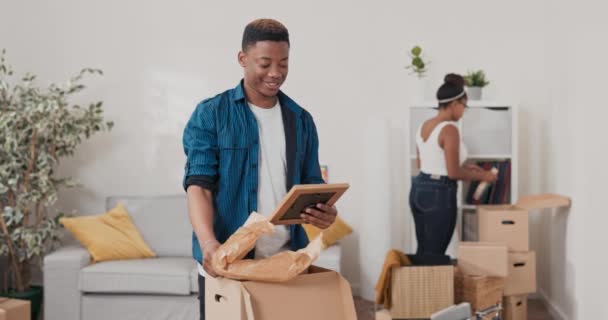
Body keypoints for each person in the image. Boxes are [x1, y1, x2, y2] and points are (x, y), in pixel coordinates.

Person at [182, 18, 339, 320]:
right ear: (242, 59)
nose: (276, 73)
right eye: (265, 63)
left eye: (284, 63)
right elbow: (198, 186)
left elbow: (310, 186)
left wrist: (325, 215)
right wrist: (209, 244)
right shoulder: (211, 114)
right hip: (226, 261)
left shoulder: (301, 120)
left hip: (285, 263)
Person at [409, 73, 497, 255]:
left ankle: (420, 284)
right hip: (439, 194)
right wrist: (485, 176)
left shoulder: (424, 125)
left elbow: (423, 163)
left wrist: (466, 169)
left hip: (419, 190)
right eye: (464, 106)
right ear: (455, 104)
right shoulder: (449, 129)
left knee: (425, 250)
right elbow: (453, 173)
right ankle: (434, 284)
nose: (464, 111)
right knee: (436, 253)